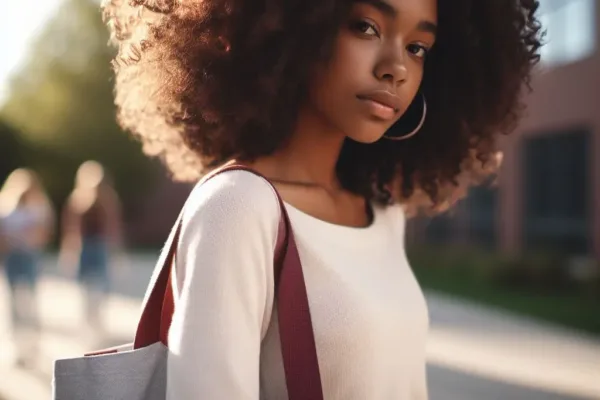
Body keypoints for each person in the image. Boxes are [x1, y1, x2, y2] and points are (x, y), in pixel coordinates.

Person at [102, 0, 542, 398]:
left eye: (418, 48)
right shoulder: (238, 208)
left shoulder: (381, 212)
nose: (396, 68)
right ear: (294, 26)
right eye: (366, 27)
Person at [59, 161, 123, 339]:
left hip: (100, 246)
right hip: (84, 247)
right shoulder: (77, 199)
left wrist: (116, 251)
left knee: (102, 285)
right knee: (86, 286)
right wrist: (68, 252)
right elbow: (71, 228)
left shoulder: (109, 200)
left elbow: (113, 226)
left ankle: (98, 320)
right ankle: (87, 322)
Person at [0, 168, 54, 366]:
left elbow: (42, 234)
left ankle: (32, 343)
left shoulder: (38, 208)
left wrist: (28, 238)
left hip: (29, 256)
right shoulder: (6, 206)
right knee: (14, 301)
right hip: (13, 257)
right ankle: (17, 344)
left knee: (30, 300)